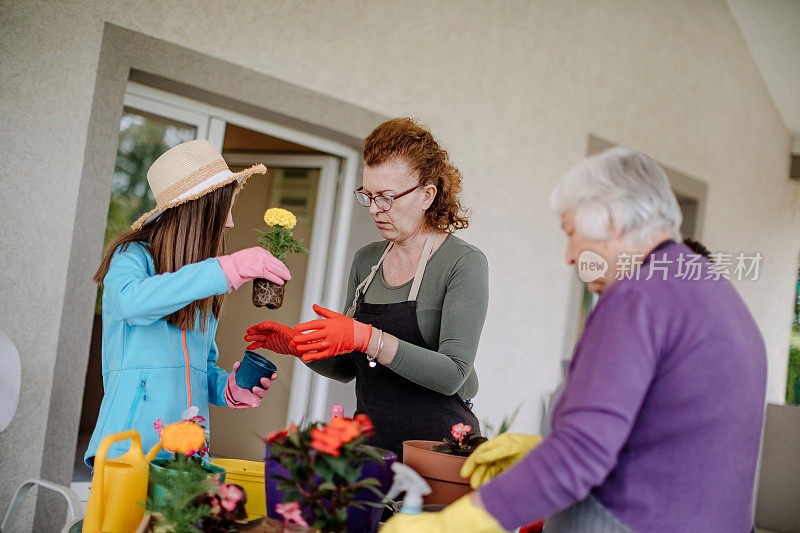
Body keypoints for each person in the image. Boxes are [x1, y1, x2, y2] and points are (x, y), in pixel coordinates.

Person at [383, 148, 767, 532]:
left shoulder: (636, 296)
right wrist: (542, 451)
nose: (570, 256)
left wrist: (452, 524)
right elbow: (673, 430)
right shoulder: (713, 291)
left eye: (572, 233)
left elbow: (581, 454)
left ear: (613, 219)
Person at [247, 118, 488, 459]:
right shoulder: (367, 262)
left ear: (427, 194)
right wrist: (299, 345)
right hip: (373, 453)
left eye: (387, 198)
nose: (375, 209)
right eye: (369, 196)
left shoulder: (463, 262)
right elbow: (347, 368)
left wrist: (367, 337)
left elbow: (452, 374)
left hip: (440, 454)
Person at [85, 140, 291, 465]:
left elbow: (199, 370)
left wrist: (229, 387)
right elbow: (129, 303)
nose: (230, 222)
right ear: (200, 210)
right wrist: (225, 269)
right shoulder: (132, 257)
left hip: (187, 457)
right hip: (130, 452)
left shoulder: (200, 284)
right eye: (227, 208)